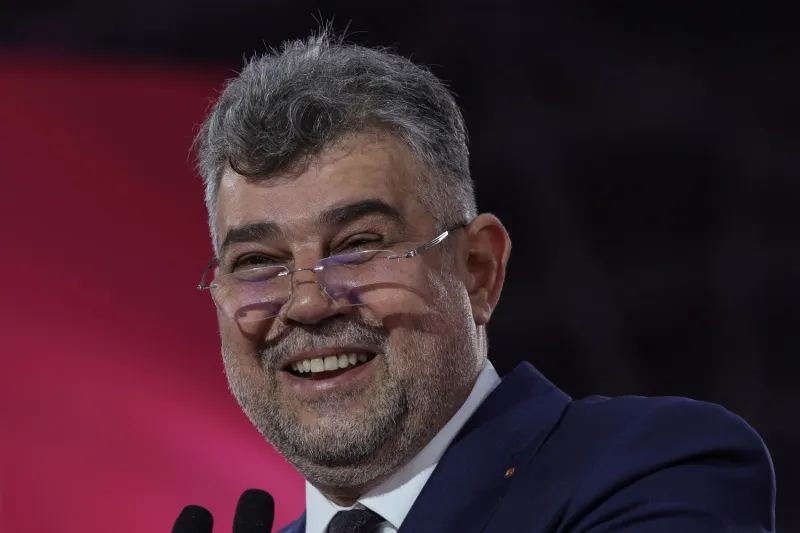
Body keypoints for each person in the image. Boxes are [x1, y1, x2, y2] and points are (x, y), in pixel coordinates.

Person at [192, 29, 776, 533]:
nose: (308, 303)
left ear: (477, 269)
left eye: (357, 245)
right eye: (256, 261)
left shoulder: (653, 469)